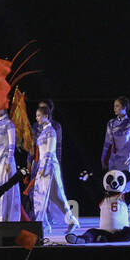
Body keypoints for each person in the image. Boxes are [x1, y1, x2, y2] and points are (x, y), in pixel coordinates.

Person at [28, 102, 78, 239]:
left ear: (46, 116)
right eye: (36, 116)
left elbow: (50, 151)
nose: (37, 118)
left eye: (39, 116)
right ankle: (72, 220)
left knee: (41, 196)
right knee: (55, 197)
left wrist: (44, 169)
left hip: (49, 166)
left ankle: (41, 226)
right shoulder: (44, 130)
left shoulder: (51, 131)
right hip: (44, 165)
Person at [0, 107, 21, 223]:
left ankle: (5, 218)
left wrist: (9, 161)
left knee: (4, 187)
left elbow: (12, 144)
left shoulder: (9, 124)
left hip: (4, 161)